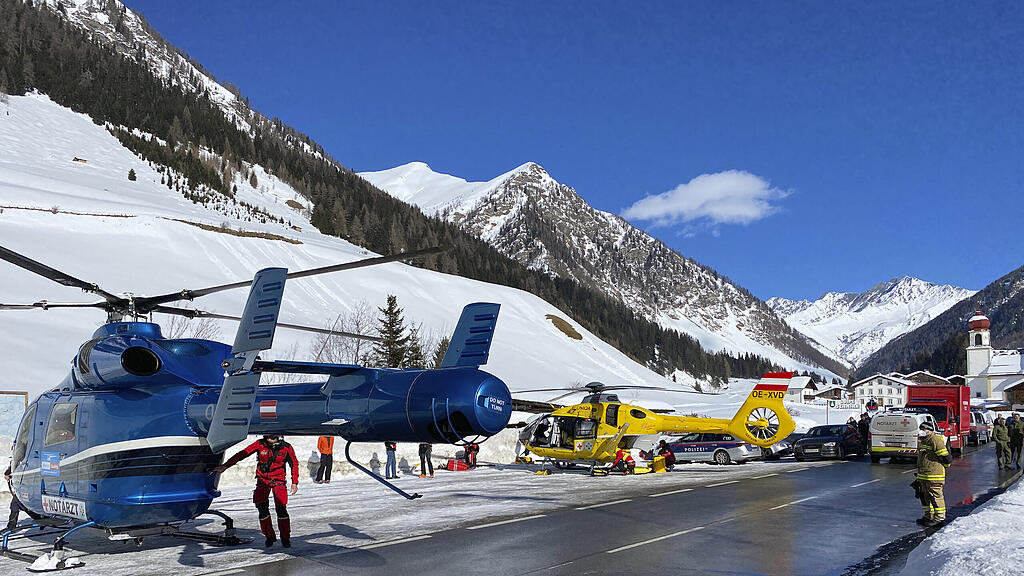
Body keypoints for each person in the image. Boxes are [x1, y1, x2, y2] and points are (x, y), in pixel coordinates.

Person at [213, 434, 299, 548]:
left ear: (278, 437)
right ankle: (269, 536)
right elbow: (242, 454)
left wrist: (295, 482)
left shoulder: (286, 447)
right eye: (267, 437)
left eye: (271, 437)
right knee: (262, 508)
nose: (268, 440)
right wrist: (225, 466)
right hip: (262, 481)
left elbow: (294, 464)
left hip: (278, 481)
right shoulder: (259, 444)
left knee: (281, 509)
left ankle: (285, 538)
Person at [914, 421, 951, 527]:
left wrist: (944, 467)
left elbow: (946, 458)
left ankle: (939, 518)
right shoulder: (924, 441)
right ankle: (928, 516)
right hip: (924, 475)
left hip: (934, 475)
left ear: (929, 430)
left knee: (935, 496)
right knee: (925, 496)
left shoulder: (935, 440)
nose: (920, 431)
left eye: (923, 429)